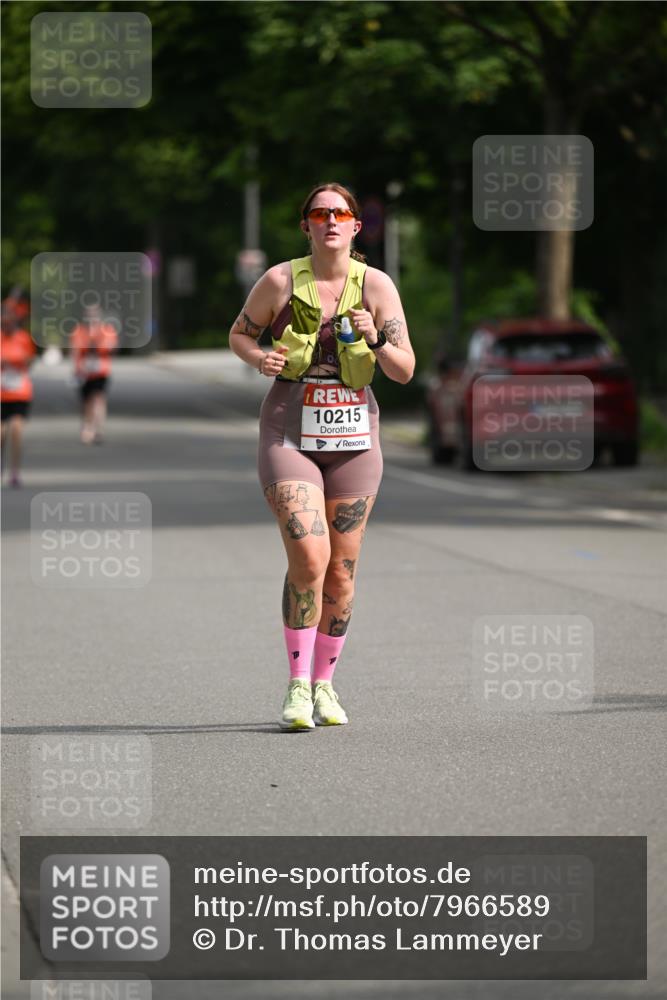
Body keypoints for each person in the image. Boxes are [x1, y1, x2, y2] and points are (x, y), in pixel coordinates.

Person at [229, 182, 415, 731]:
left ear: (357, 226)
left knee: (340, 572)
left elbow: (404, 369)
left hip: (356, 440)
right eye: (318, 212)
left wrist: (376, 340)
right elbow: (239, 335)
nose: (330, 220)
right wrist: (260, 356)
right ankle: (295, 686)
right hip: (289, 433)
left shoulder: (376, 287)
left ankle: (326, 685)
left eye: (341, 213)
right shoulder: (280, 281)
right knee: (309, 559)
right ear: (305, 224)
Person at [1, 300, 37, 488]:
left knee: (16, 429)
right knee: (1, 433)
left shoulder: (24, 338)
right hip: (1, 392)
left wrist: (20, 360)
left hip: (19, 391)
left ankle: (15, 470)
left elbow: (31, 360)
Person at [70, 304, 118, 444]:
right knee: (86, 402)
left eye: (95, 313)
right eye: (89, 313)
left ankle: (99, 429)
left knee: (99, 399)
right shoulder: (79, 330)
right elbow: (75, 349)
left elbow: (112, 347)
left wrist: (104, 346)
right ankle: (87, 427)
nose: (92, 316)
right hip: (84, 371)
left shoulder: (107, 330)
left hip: (100, 370)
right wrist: (75, 368)